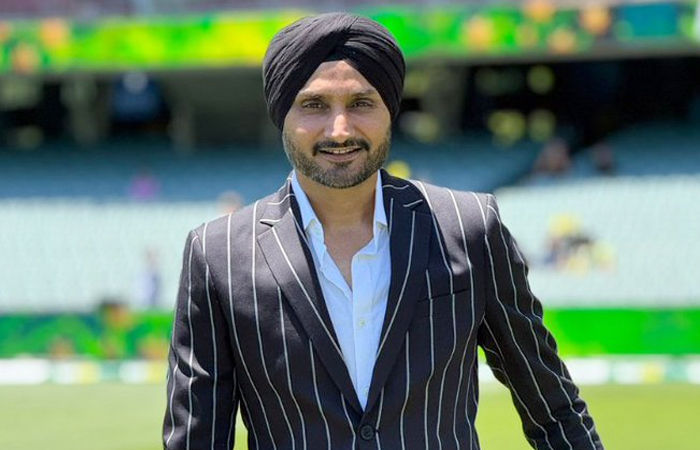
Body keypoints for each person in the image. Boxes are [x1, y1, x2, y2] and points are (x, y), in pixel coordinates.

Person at [163, 12, 603, 450]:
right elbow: (197, 439)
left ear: (390, 110)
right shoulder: (219, 254)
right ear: (283, 114)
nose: (340, 130)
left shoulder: (468, 227)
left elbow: (555, 411)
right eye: (314, 105)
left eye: (361, 103)